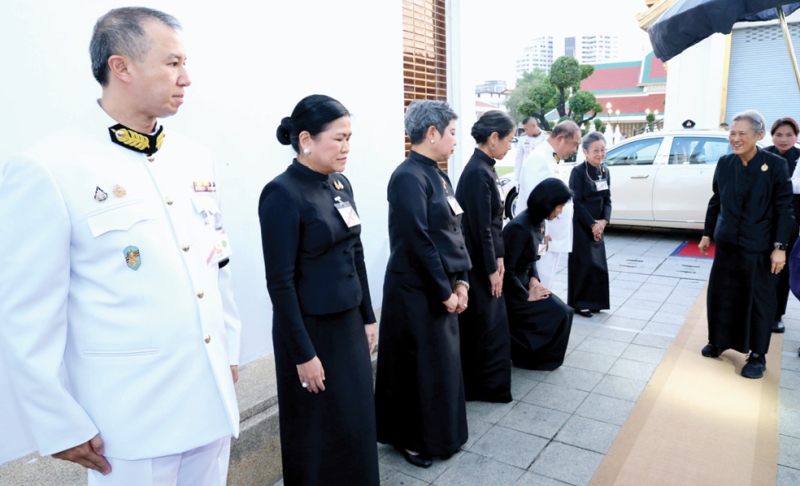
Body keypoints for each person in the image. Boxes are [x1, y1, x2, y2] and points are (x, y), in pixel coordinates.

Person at [0, 8, 241, 485]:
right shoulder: (50, 166)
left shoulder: (194, 156)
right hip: (131, 421)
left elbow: (217, 262)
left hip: (210, 400)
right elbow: (27, 312)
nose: (186, 78)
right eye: (172, 63)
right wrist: (57, 421)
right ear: (122, 67)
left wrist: (229, 352)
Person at [258, 95, 379, 485]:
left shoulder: (340, 183)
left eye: (349, 138)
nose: (346, 147)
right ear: (306, 138)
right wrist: (303, 352)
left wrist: (368, 316)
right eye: (339, 138)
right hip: (311, 331)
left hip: (348, 325)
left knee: (355, 423)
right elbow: (280, 281)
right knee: (316, 430)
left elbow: (355, 251)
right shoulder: (282, 193)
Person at [375, 100, 471, 468]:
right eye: (451, 133)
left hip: (442, 283)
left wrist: (461, 280)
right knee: (415, 368)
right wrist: (444, 290)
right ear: (431, 133)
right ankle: (411, 439)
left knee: (442, 366)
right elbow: (417, 240)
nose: (454, 141)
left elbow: (453, 229)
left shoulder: (439, 174)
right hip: (415, 289)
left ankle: (443, 435)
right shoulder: (407, 177)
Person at [699, 110, 794, 379]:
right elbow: (716, 199)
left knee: (759, 300)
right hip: (728, 242)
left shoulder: (775, 165)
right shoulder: (725, 163)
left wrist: (780, 247)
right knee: (722, 294)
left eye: (742, 133)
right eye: (732, 133)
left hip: (759, 246)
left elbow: (784, 209)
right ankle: (719, 340)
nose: (735, 138)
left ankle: (758, 355)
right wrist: (708, 233)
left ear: (759, 135)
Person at [455, 110, 514, 403]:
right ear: (493, 139)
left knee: (491, 325)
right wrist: (492, 267)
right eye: (508, 140)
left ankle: (487, 384)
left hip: (486, 257)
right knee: (484, 326)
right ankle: (481, 386)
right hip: (477, 261)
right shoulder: (478, 171)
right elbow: (479, 227)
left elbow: (493, 222)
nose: (509, 147)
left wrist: (500, 257)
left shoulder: (485, 167)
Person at [503, 179, 575, 370]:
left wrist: (535, 280)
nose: (560, 212)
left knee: (564, 312)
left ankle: (543, 357)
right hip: (512, 290)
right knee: (559, 313)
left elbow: (533, 258)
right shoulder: (519, 228)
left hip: (526, 282)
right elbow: (506, 272)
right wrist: (526, 295)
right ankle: (532, 357)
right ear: (547, 204)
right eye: (559, 207)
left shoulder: (540, 222)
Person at [517, 120, 582, 289]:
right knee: (539, 284)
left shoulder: (552, 159)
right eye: (574, 144)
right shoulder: (539, 159)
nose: (575, 150)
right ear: (560, 138)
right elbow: (537, 203)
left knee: (547, 284)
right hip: (543, 239)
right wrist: (542, 232)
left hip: (552, 238)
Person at [568, 132, 612, 318]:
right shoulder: (577, 172)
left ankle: (596, 302)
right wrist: (592, 224)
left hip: (598, 223)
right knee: (583, 263)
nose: (600, 154)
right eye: (595, 150)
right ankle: (580, 303)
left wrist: (603, 221)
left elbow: (608, 199)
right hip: (581, 222)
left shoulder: (605, 171)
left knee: (598, 264)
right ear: (585, 152)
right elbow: (575, 202)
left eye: (602, 150)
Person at [766, 117, 800, 333]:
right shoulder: (764, 155)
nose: (784, 139)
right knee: (761, 266)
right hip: (765, 221)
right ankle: (758, 309)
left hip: (791, 223)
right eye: (779, 134)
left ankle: (777, 314)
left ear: (796, 136)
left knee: (782, 269)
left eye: (789, 135)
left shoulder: (799, 158)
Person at [514, 117, 548, 184]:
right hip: (529, 174)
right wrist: (517, 179)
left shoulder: (547, 136)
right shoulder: (523, 138)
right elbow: (518, 158)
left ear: (533, 126)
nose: (525, 132)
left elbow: (555, 155)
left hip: (544, 174)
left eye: (526, 129)